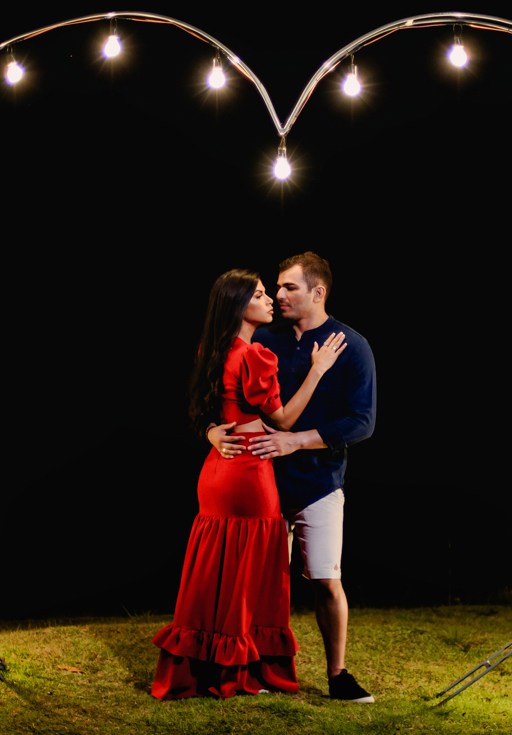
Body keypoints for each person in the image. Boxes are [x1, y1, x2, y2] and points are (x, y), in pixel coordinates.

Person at [151, 268, 347, 700]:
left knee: (216, 569)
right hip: (249, 473)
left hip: (216, 473)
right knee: (248, 572)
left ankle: (204, 664)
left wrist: (211, 433)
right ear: (240, 305)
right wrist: (317, 370)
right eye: (260, 294)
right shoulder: (256, 356)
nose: (269, 299)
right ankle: (238, 671)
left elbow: (210, 412)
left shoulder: (213, 350)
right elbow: (283, 421)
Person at [207, 252, 377, 704]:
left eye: (289, 288)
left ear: (318, 292)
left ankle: (338, 675)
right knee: (259, 586)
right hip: (261, 482)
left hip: (320, 482)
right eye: (276, 288)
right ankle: (253, 670)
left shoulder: (352, 345)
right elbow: (227, 397)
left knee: (325, 579)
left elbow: (362, 422)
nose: (278, 295)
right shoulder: (268, 340)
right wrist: (212, 430)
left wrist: (296, 441)